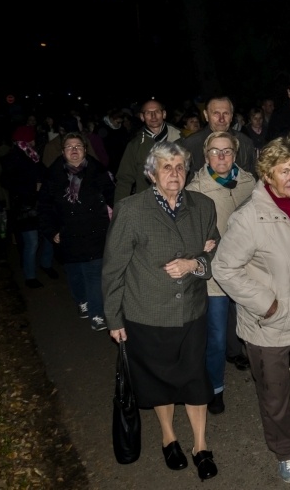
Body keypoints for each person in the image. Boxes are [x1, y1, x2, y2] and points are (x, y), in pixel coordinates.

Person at [211, 138, 290, 484]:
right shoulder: (249, 217)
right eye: (285, 171)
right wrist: (265, 303)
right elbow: (223, 267)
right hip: (268, 322)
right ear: (267, 174)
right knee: (274, 391)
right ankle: (285, 449)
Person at [102, 142, 221, 481]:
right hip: (147, 314)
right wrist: (114, 318)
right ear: (151, 173)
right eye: (166, 167)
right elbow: (113, 269)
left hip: (192, 312)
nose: (174, 173)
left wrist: (194, 263)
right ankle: (169, 438)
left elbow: (214, 248)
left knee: (195, 378)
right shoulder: (131, 210)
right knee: (159, 381)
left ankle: (201, 445)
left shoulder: (203, 206)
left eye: (180, 166)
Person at [185, 132, 255, 416]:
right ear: (206, 156)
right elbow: (185, 230)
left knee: (254, 329)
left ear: (235, 155)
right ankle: (215, 388)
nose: (222, 156)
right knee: (215, 337)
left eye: (227, 151)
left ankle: (264, 379)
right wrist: (196, 246)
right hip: (215, 276)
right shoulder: (195, 189)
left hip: (247, 270)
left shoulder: (250, 183)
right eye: (215, 151)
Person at [38, 132, 115, 330]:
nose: (74, 150)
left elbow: (113, 198)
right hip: (67, 234)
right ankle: (82, 300)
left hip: (95, 232)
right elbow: (44, 207)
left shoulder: (98, 172)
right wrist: (51, 231)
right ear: (63, 151)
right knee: (75, 274)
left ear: (85, 150)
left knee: (94, 274)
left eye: (78, 146)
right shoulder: (53, 175)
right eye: (69, 147)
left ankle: (97, 314)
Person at [0, 125, 57, 288]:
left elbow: (44, 173)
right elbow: (6, 182)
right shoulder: (12, 158)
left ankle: (46, 264)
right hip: (25, 207)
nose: (33, 141)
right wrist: (32, 187)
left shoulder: (33, 155)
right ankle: (30, 276)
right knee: (32, 242)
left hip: (40, 205)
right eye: (31, 138)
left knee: (49, 236)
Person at [115, 100, 182, 202]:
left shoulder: (180, 139)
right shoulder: (135, 145)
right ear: (142, 117)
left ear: (164, 114)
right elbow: (124, 180)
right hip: (147, 203)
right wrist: (120, 208)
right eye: (148, 113)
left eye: (157, 111)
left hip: (178, 201)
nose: (153, 116)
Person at [179, 96, 256, 179]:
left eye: (226, 113)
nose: (221, 119)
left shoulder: (245, 143)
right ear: (206, 115)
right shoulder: (190, 145)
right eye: (216, 113)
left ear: (231, 116)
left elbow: (253, 178)